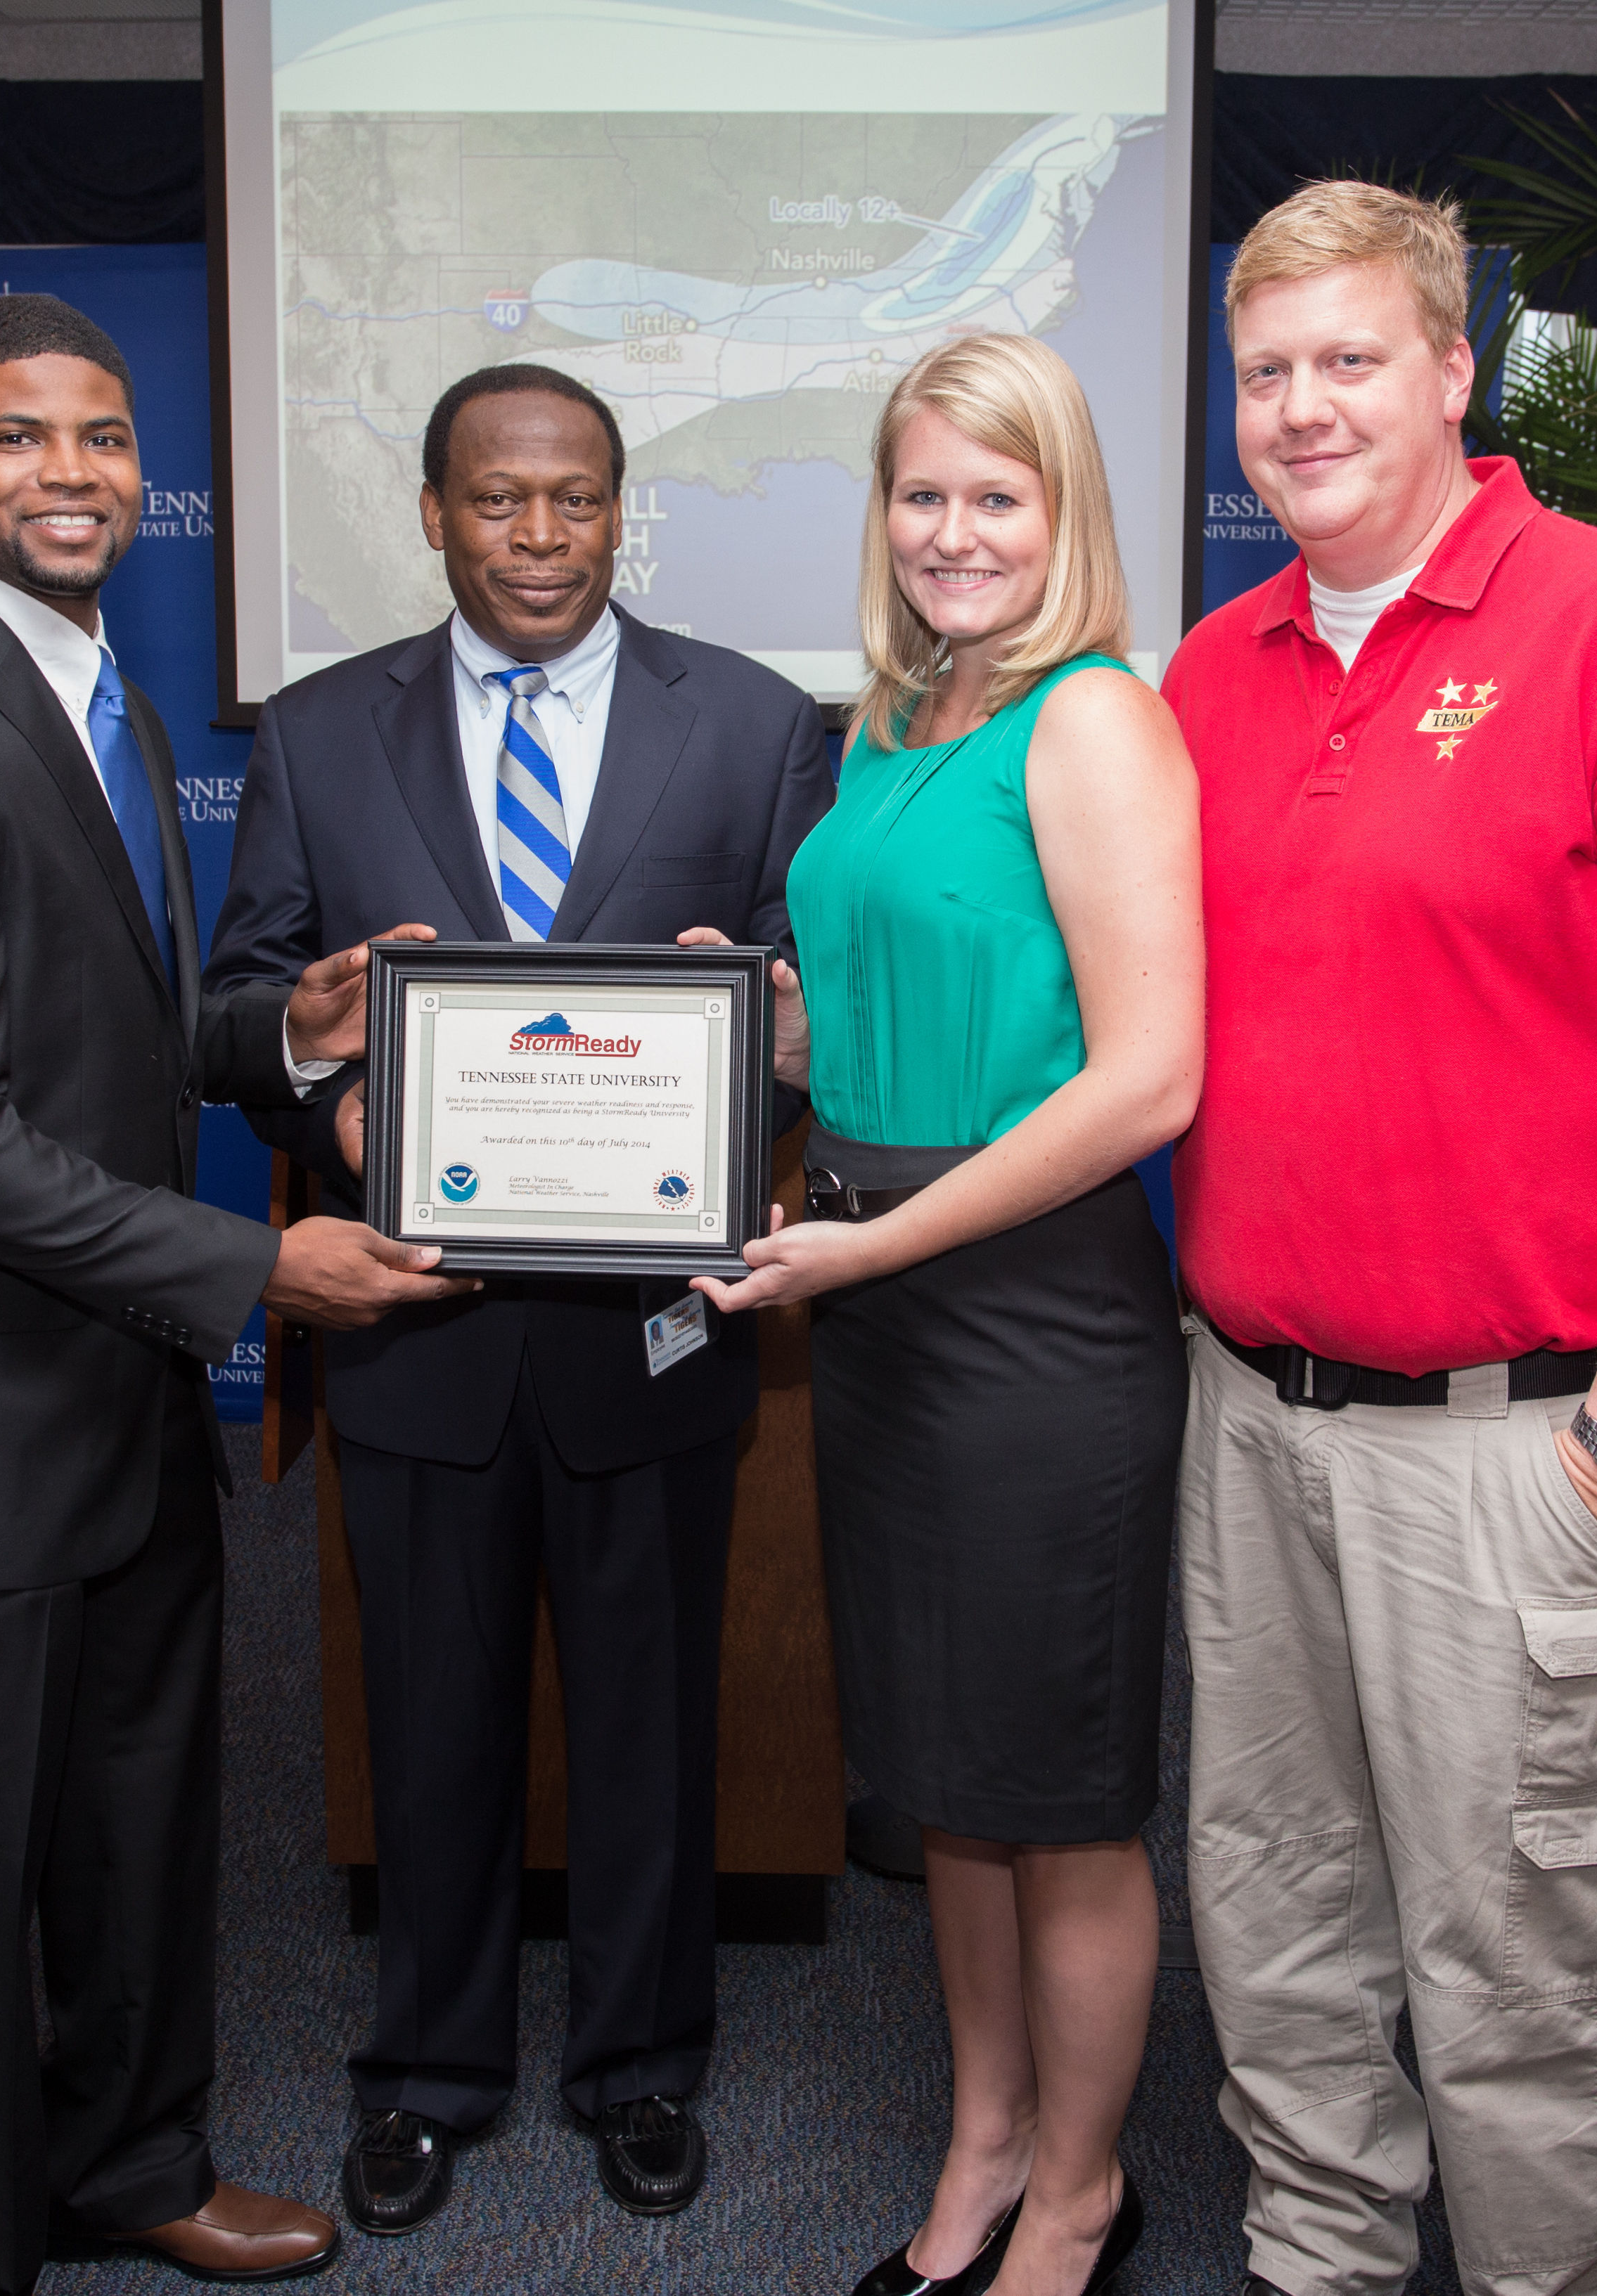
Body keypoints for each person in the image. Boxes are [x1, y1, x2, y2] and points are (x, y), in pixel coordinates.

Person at [0, 293, 463, 2292]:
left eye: (100, 437)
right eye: (16, 437)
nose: (69, 474)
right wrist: (253, 1266)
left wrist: (285, 1031)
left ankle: (130, 2160)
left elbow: (110, 1044)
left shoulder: (102, 698)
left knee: (136, 1821)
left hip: (120, 1396)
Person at [1161, 182, 1597, 2296]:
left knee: (1527, 1960)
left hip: (1517, 1448)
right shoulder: (1208, 671)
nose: (1302, 408)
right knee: (1274, 1915)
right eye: (1265, 371)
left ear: (1452, 370)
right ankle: (1316, 2259)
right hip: (1248, 1421)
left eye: (1349, 359)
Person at [207, 361, 834, 2236]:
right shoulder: (321, 732)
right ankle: (426, 2070)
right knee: (430, 1717)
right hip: (423, 1325)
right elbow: (248, 1004)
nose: (539, 536)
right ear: (432, 514)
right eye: (497, 500)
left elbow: (808, 1020)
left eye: (575, 499)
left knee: (651, 1718)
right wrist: (329, 1092)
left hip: (652, 1331)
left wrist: (764, 1043)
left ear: (622, 509)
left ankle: (641, 2063)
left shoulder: (754, 725)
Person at [691, 330, 1198, 2296]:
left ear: (1065, 513)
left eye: (999, 495)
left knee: (1056, 1797)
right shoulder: (892, 722)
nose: (954, 532)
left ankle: (1078, 2194)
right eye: (923, 494)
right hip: (882, 1297)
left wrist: (869, 1247)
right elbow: (880, 1030)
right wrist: (745, 1020)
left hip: (1028, 1323)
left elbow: (1142, 1081)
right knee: (946, 1789)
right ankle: (985, 2143)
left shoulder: (1092, 720)